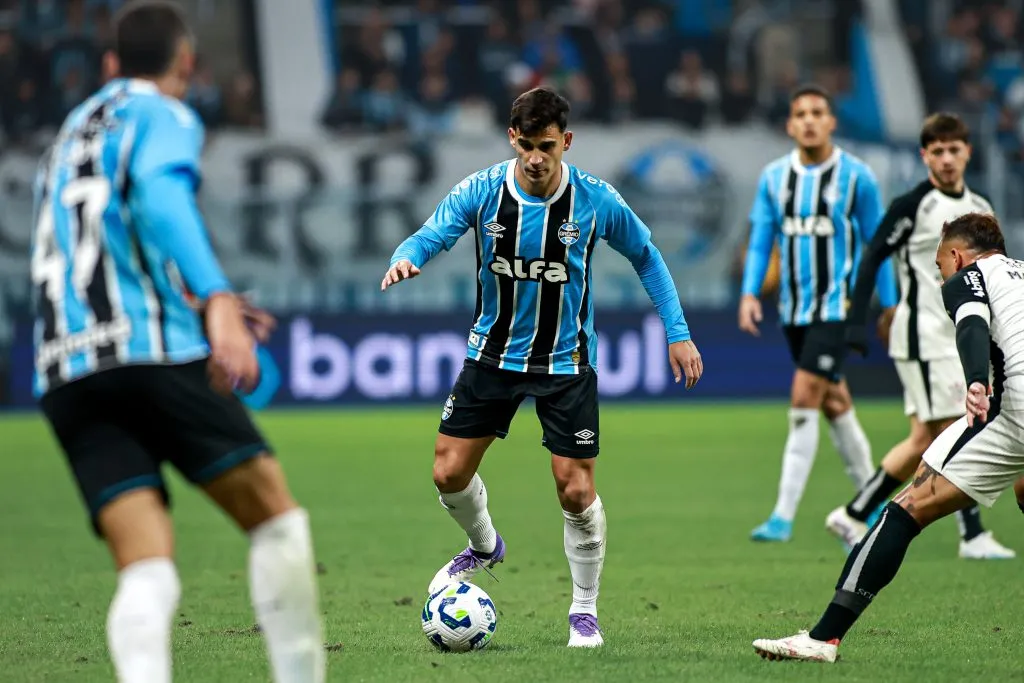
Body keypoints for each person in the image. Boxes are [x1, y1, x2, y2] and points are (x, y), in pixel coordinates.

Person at [30, 3, 324, 681]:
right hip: (150, 352)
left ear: (109, 66)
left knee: (147, 567)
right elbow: (161, 198)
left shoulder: (67, 134)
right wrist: (216, 297)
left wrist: (182, 290)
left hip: (65, 365)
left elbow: (99, 236)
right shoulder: (162, 113)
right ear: (186, 64)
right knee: (275, 520)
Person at [381, 86, 703, 648]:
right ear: (512, 138)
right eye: (526, 145)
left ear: (567, 142)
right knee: (447, 474)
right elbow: (433, 231)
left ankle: (584, 610)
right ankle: (484, 546)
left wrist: (677, 332)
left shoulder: (596, 200)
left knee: (575, 490)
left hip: (566, 363)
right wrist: (405, 257)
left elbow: (647, 256)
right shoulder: (482, 190)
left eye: (546, 146)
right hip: (492, 356)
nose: (535, 158)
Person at [752, 212, 1024, 663]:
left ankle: (823, 638)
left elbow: (972, 324)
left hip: (1012, 404)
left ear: (955, 256)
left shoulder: (969, 277)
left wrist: (976, 380)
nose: (941, 276)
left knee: (905, 510)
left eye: (939, 266)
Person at [827, 113, 1015, 559]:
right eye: (938, 151)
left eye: (955, 150)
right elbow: (873, 255)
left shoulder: (980, 206)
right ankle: (972, 535)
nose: (948, 159)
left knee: (922, 439)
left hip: (961, 335)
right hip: (924, 335)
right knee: (956, 424)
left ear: (968, 152)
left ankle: (853, 513)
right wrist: (860, 319)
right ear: (924, 155)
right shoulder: (913, 205)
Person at [739, 84, 899, 542]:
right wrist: (751, 294)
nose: (808, 120)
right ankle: (876, 506)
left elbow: (879, 245)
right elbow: (761, 240)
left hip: (838, 308)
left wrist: (887, 306)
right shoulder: (774, 178)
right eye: (800, 114)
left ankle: (782, 516)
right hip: (793, 310)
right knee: (836, 402)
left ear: (831, 122)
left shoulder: (857, 178)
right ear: (790, 125)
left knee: (805, 395)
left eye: (817, 112)